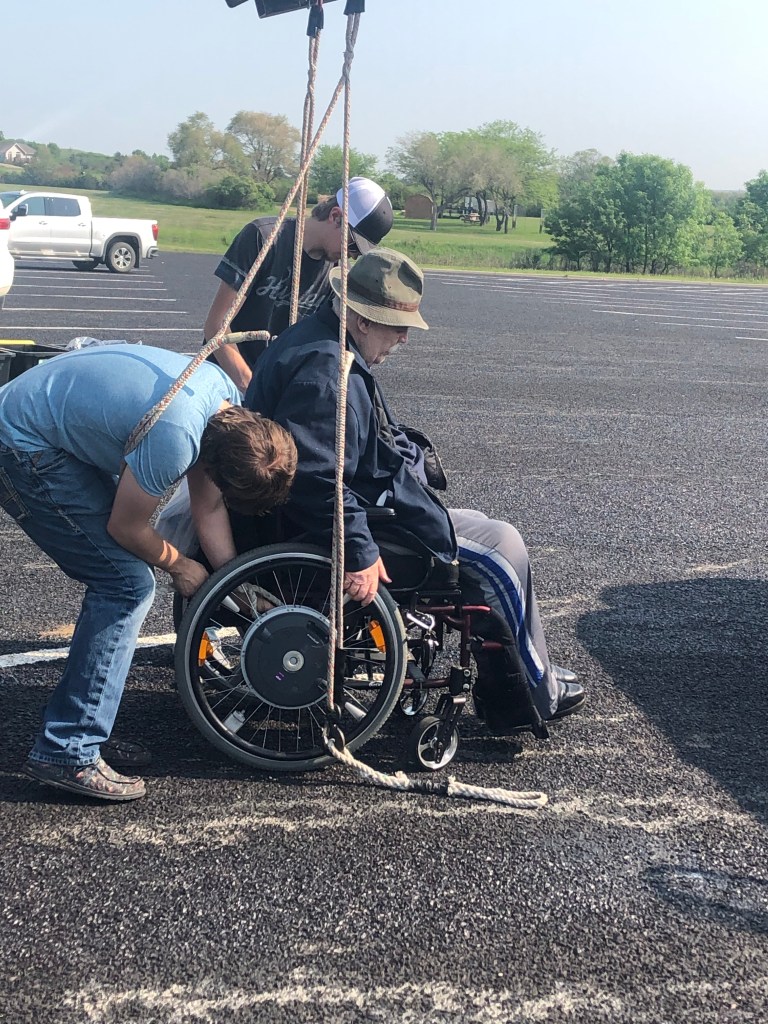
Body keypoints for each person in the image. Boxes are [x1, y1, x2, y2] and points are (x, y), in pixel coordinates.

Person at [244, 248, 585, 734]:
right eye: (397, 326)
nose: (404, 337)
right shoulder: (327, 374)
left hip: (358, 507)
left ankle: (529, 671)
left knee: (484, 526)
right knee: (504, 549)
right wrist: (359, 552)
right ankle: (535, 691)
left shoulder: (318, 339)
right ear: (363, 320)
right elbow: (317, 479)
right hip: (346, 527)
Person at [0, 344, 297, 802]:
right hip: (21, 443)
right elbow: (126, 527)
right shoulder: (174, 437)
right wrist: (180, 565)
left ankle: (84, 728)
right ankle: (68, 749)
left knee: (124, 579)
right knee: (126, 585)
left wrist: (234, 583)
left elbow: (208, 505)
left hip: (45, 423)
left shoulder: (224, 405)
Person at [203, 176, 394, 394]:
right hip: (226, 382)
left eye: (359, 252)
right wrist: (252, 389)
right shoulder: (264, 238)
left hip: (274, 391)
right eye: (353, 245)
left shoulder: (337, 274)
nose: (352, 256)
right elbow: (216, 326)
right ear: (335, 217)